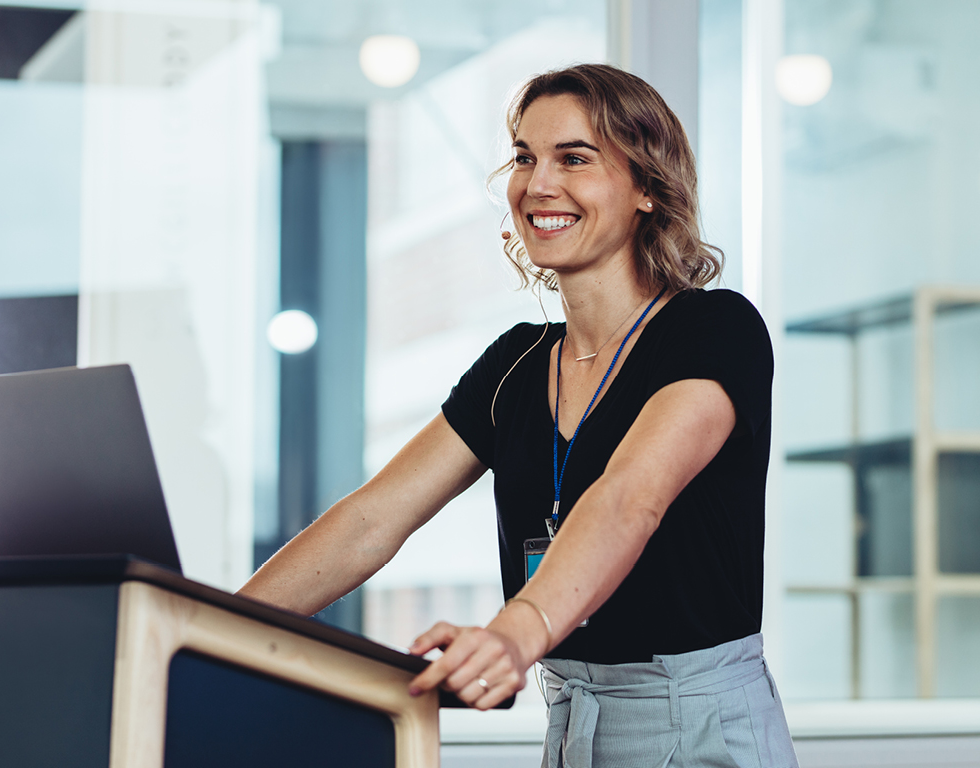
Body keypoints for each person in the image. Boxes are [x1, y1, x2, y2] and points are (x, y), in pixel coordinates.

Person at [239, 63, 798, 768]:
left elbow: (631, 498)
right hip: (571, 716)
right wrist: (202, 631)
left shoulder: (713, 329)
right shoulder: (516, 364)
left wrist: (514, 632)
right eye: (525, 158)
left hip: (699, 722)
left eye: (575, 159)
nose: (538, 184)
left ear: (648, 188)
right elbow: (371, 519)